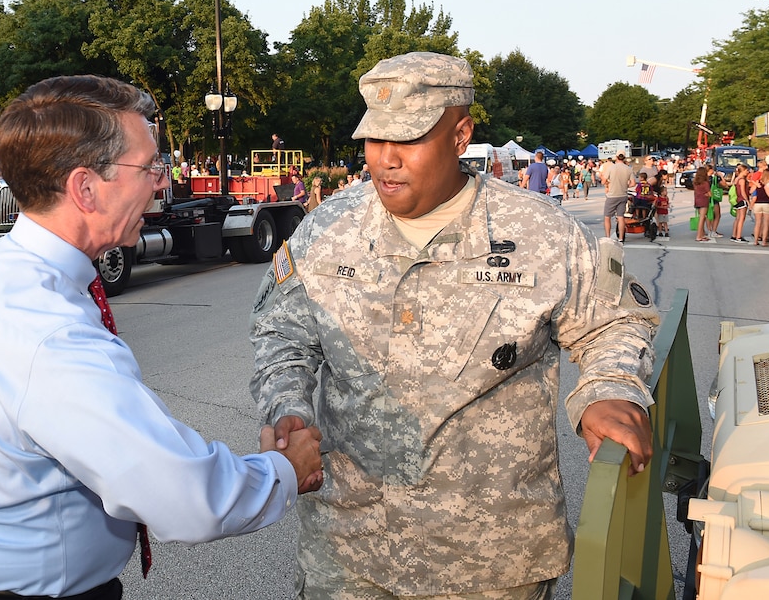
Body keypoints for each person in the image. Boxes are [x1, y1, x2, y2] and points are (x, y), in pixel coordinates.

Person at [250, 52, 657, 600]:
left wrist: (606, 389)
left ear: (461, 134)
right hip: (350, 553)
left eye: (410, 140)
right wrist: (288, 406)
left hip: (490, 563)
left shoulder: (541, 232)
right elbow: (282, 332)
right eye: (374, 139)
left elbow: (614, 322)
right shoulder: (327, 228)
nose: (385, 161)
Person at [0, 75, 322, 600]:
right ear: (85, 188)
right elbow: (178, 493)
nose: (161, 182)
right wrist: (284, 472)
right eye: (149, 166)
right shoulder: (46, 327)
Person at [602, 152, 635, 240]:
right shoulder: (628, 169)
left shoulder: (611, 168)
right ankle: (620, 238)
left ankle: (608, 236)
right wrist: (626, 185)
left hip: (612, 195)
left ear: (616, 157)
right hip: (623, 195)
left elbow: (603, 181)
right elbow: (633, 183)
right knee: (621, 217)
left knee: (607, 217)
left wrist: (608, 183)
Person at [729, 164, 751, 243]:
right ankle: (738, 236)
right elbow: (743, 192)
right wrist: (748, 201)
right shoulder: (742, 180)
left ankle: (734, 235)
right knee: (742, 218)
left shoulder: (736, 179)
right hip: (742, 200)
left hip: (737, 200)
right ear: (743, 171)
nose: (747, 172)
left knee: (737, 219)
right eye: (746, 170)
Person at [753, 166, 769, 247]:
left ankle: (755, 241)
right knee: (766, 223)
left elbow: (751, 191)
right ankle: (764, 241)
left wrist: (755, 184)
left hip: (757, 204)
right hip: (767, 204)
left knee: (758, 223)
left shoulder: (758, 183)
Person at [693, 165, 711, 242]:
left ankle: (702, 234)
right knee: (702, 218)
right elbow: (709, 193)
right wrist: (707, 194)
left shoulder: (695, 182)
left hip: (697, 200)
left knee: (701, 217)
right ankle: (699, 236)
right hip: (704, 201)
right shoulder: (705, 183)